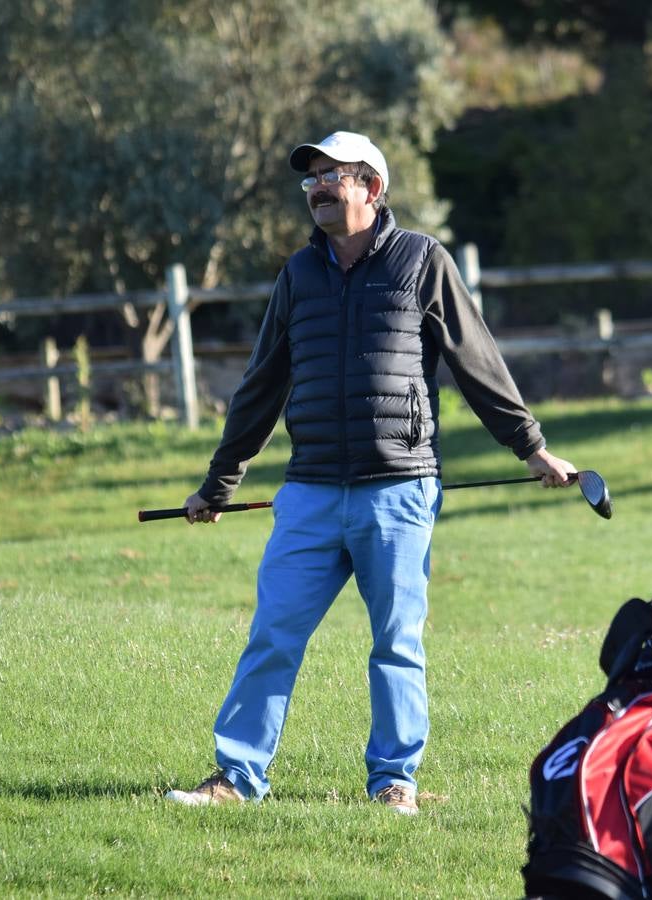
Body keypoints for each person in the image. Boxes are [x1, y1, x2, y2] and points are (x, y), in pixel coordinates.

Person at [167, 130, 576, 815]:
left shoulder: (422, 262)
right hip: (310, 494)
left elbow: (477, 362)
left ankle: (394, 782)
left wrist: (530, 446)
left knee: (396, 645)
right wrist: (218, 484)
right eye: (312, 180)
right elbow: (261, 386)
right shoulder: (297, 275)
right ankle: (237, 778)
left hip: (400, 492)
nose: (319, 188)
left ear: (373, 187)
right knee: (273, 635)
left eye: (333, 176)